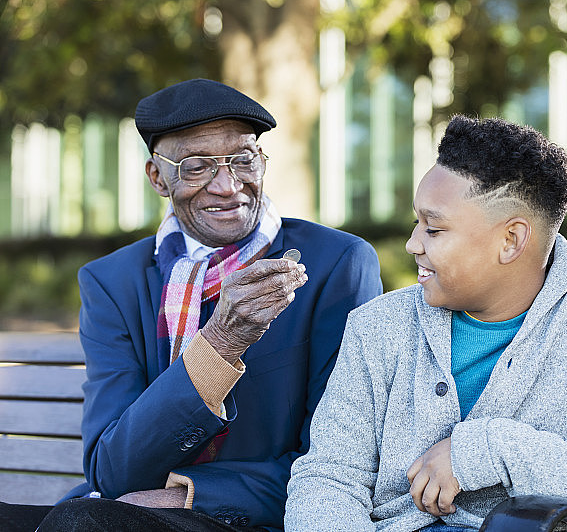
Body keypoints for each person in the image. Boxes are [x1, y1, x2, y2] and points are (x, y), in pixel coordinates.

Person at [5, 78, 383, 532]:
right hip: (118, 508)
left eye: (244, 160)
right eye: (196, 166)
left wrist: (185, 495)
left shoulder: (336, 264)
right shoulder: (111, 282)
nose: (227, 186)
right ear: (157, 177)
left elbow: (342, 461)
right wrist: (220, 344)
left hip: (251, 517)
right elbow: (112, 470)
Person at [284, 115, 567, 532]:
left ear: (510, 240)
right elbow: (328, 478)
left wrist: (489, 449)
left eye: (434, 229)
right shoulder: (377, 327)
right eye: (416, 223)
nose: (412, 243)